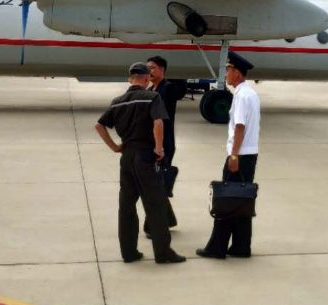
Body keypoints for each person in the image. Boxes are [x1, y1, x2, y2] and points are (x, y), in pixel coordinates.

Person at [95, 62, 185, 264]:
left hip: (127, 156)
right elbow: (158, 122)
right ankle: (163, 252)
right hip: (146, 156)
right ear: (146, 79)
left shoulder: (117, 102)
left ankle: (129, 252)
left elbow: (99, 125)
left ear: (130, 79)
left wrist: (115, 147)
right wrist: (159, 148)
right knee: (155, 205)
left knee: (126, 205)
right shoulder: (152, 97)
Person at [198, 51, 262, 259]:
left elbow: (240, 126)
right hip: (249, 155)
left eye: (228, 69)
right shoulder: (250, 93)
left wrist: (233, 156)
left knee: (226, 201)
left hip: (239, 156)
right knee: (241, 201)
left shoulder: (241, 96)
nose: (226, 73)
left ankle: (216, 248)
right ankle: (241, 246)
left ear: (237, 73)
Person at [144, 56, 181, 235]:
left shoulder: (167, 88)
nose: (149, 71)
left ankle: (154, 225)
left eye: (152, 68)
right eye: (147, 68)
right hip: (154, 141)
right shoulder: (151, 88)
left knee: (156, 184)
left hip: (163, 143)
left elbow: (160, 118)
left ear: (162, 70)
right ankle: (168, 219)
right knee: (156, 183)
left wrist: (159, 147)